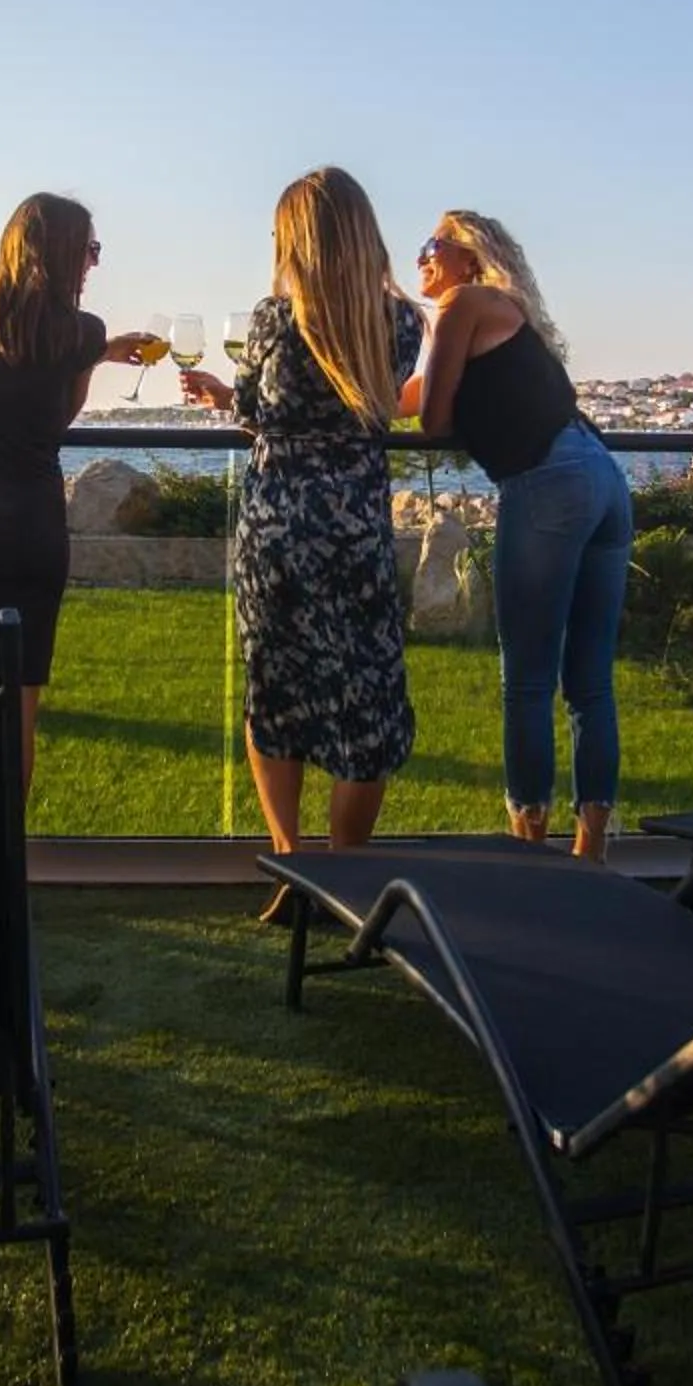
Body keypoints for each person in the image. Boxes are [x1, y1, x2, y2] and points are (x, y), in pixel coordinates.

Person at [179, 168, 423, 892]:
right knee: (368, 705)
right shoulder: (402, 323)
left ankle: (289, 862)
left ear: (299, 243)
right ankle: (344, 874)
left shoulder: (271, 320)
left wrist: (231, 398)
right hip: (354, 532)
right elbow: (374, 402)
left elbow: (261, 409)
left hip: (277, 532)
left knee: (275, 691)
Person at [404, 210, 631, 858]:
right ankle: (591, 852)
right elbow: (409, 394)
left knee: (528, 679)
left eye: (431, 245)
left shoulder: (461, 304)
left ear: (467, 255)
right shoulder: (503, 313)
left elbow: (432, 420)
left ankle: (530, 850)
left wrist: (434, 410)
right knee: (590, 681)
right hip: (603, 478)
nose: (419, 257)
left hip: (547, 483)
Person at [0, 194, 155, 810]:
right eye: (89, 250)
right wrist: (95, 353)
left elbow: (11, 350)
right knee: (18, 709)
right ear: (60, 252)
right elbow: (59, 416)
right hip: (31, 531)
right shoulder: (82, 332)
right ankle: (8, 861)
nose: (92, 264)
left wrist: (92, 350)